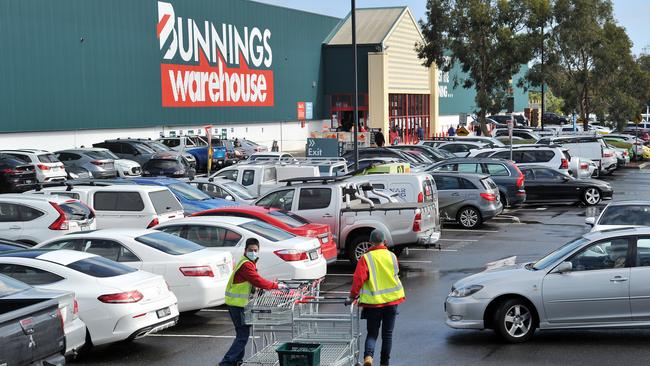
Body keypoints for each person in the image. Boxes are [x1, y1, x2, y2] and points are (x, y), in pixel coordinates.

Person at [219, 238, 287, 366]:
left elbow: (251, 282)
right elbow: (256, 280)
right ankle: (227, 362)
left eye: (255, 250)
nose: (253, 252)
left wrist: (258, 288)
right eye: (251, 250)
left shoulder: (249, 262)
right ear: (245, 250)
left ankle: (236, 360)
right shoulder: (246, 264)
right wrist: (276, 286)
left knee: (241, 333)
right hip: (238, 304)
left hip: (238, 304)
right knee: (243, 334)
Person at [349, 229, 405, 366]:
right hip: (392, 301)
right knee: (387, 335)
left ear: (370, 242)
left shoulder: (366, 258)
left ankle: (368, 358)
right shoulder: (392, 256)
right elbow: (396, 273)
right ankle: (384, 363)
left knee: (372, 334)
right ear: (384, 241)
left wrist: (352, 296)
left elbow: (358, 279)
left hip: (374, 304)